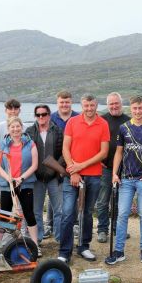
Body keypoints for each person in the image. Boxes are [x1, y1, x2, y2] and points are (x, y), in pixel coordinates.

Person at [105, 95, 142, 265]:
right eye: (135, 108)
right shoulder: (124, 128)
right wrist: (114, 173)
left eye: (140, 108)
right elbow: (119, 153)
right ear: (131, 108)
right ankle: (119, 250)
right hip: (126, 179)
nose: (137, 111)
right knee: (122, 214)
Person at [58, 94, 110, 263]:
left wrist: (82, 166)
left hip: (93, 176)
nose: (89, 109)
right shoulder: (72, 122)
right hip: (72, 176)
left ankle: (84, 247)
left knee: (87, 212)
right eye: (86, 106)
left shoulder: (103, 124)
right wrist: (74, 170)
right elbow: (65, 148)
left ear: (96, 105)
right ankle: (65, 251)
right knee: (67, 212)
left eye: (92, 105)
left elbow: (103, 152)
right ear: (82, 106)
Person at [0, 117, 40, 247]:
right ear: (8, 129)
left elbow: (34, 165)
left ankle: (35, 245)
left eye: (17, 126)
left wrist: (21, 178)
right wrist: (9, 178)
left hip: (25, 184)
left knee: (29, 213)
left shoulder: (30, 144)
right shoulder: (2, 145)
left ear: (22, 127)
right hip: (7, 185)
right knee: (4, 215)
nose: (15, 129)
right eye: (12, 127)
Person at [25, 104, 65, 245]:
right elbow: (26, 154)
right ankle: (38, 239)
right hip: (36, 178)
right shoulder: (29, 132)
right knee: (36, 211)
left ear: (49, 115)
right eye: (38, 115)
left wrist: (55, 168)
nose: (41, 117)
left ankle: (60, 239)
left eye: (44, 114)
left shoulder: (58, 131)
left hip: (54, 177)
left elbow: (63, 152)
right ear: (35, 116)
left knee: (59, 210)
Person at [96, 92, 130, 243]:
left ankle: (118, 228)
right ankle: (103, 229)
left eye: (116, 103)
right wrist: (97, 160)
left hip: (124, 169)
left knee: (119, 201)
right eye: (111, 104)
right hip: (105, 167)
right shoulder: (101, 120)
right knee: (103, 201)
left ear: (121, 103)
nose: (114, 106)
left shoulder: (129, 121)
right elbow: (94, 141)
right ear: (107, 105)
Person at [46, 91, 79, 238]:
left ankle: (74, 224)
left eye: (67, 102)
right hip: (53, 162)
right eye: (61, 102)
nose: (64, 105)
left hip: (74, 162)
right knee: (54, 194)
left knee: (73, 194)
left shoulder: (78, 117)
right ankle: (50, 224)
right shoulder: (50, 118)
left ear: (71, 102)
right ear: (57, 102)